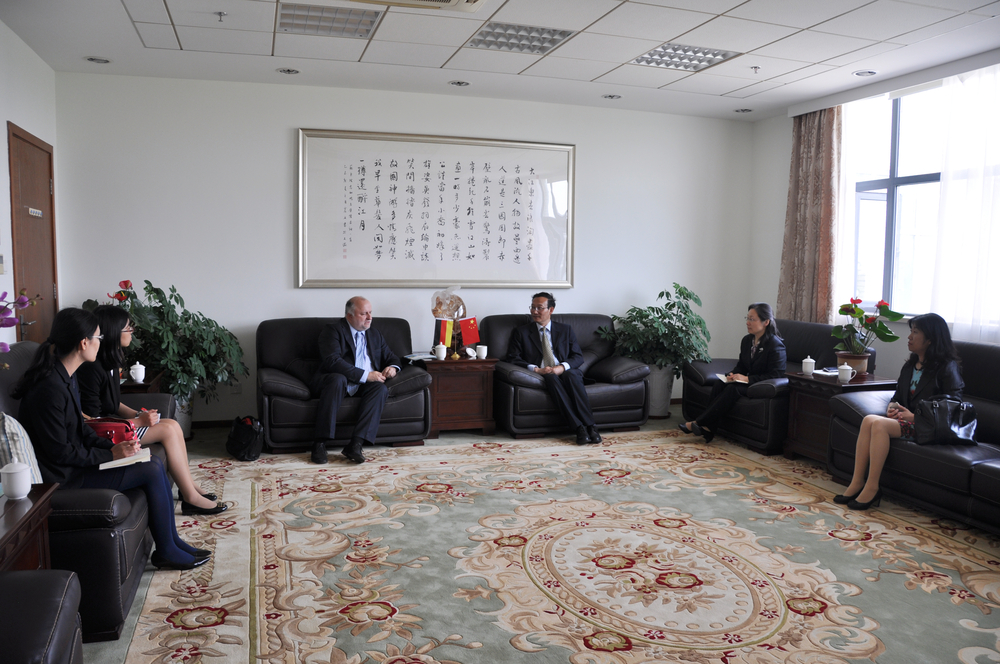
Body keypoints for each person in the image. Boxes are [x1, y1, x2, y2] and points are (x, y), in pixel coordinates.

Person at [13, 308, 209, 570]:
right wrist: (110, 455)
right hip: (65, 477)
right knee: (151, 468)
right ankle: (167, 550)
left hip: (75, 465)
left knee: (150, 460)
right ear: (83, 343)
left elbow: (82, 430)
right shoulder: (49, 387)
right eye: (98, 337)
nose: (101, 342)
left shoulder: (65, 376)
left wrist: (115, 447)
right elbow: (60, 453)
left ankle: (172, 543)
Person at [76, 305, 226, 516]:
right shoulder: (92, 367)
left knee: (172, 424)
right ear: (113, 332)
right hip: (104, 433)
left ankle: (189, 487)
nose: (132, 331)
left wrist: (138, 415)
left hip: (115, 425)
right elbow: (95, 420)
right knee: (167, 430)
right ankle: (190, 498)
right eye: (128, 327)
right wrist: (137, 423)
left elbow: (113, 403)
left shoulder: (111, 361)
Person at [834, 313, 963, 510]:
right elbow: (898, 396)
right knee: (869, 420)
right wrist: (892, 407)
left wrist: (916, 416)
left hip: (930, 426)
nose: (909, 337)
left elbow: (954, 404)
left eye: (915, 332)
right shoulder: (911, 365)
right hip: (908, 421)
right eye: (911, 331)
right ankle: (857, 481)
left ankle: (872, 487)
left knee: (879, 424)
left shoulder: (947, 367)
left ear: (930, 339)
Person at [310, 296, 401, 464]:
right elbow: (332, 361)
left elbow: (392, 356)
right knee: (338, 380)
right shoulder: (333, 331)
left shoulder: (374, 334)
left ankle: (355, 445)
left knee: (380, 388)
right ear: (349, 316)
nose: (369, 317)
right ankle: (319, 443)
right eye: (364, 313)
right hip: (336, 381)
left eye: (370, 313)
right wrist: (366, 375)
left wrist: (393, 367)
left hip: (363, 385)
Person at [680, 303, 786, 443]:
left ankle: (699, 422)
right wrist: (732, 374)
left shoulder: (775, 345)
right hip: (747, 381)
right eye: (747, 318)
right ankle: (709, 429)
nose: (747, 323)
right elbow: (742, 366)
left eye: (752, 319)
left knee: (733, 388)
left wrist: (747, 379)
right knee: (719, 383)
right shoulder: (747, 340)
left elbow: (776, 375)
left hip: (761, 385)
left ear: (766, 322)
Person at [506, 292, 602, 445]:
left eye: (539, 308)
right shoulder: (522, 332)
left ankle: (591, 427)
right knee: (550, 377)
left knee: (571, 376)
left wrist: (562, 367)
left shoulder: (565, 330)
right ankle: (579, 428)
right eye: (532, 307)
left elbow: (578, 356)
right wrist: (536, 369)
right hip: (542, 372)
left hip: (566, 370)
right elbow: (513, 358)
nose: (534, 311)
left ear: (551, 309)